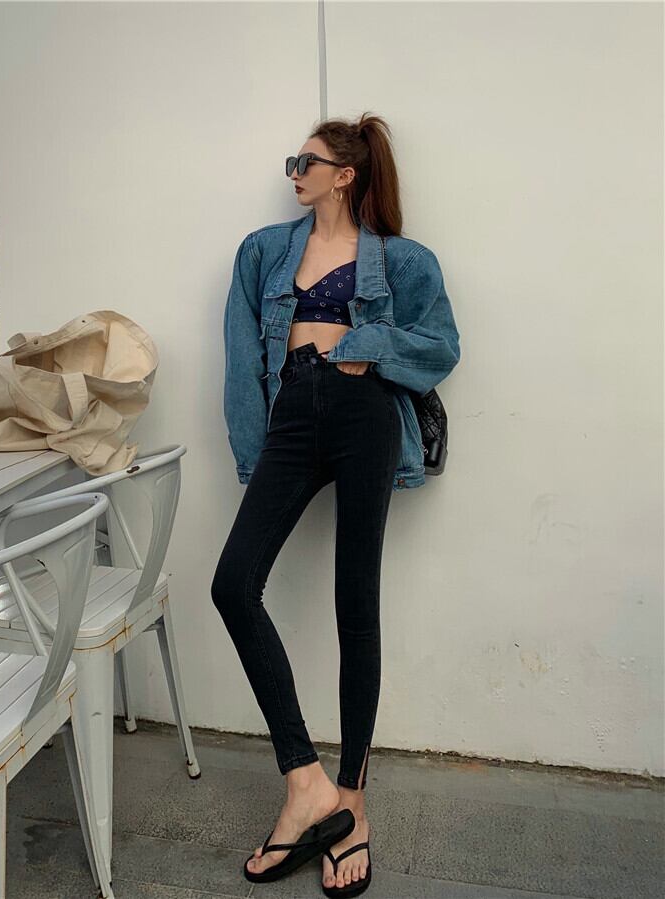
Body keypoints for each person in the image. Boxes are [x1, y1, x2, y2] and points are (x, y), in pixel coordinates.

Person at [211, 112, 461, 897]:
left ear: (344, 175)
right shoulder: (262, 251)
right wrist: (254, 449)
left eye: (306, 162)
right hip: (292, 415)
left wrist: (367, 346)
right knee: (232, 584)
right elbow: (241, 358)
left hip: (363, 418)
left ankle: (353, 800)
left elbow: (441, 346)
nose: (294, 172)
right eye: (294, 162)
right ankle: (305, 781)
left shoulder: (404, 260)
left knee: (356, 602)